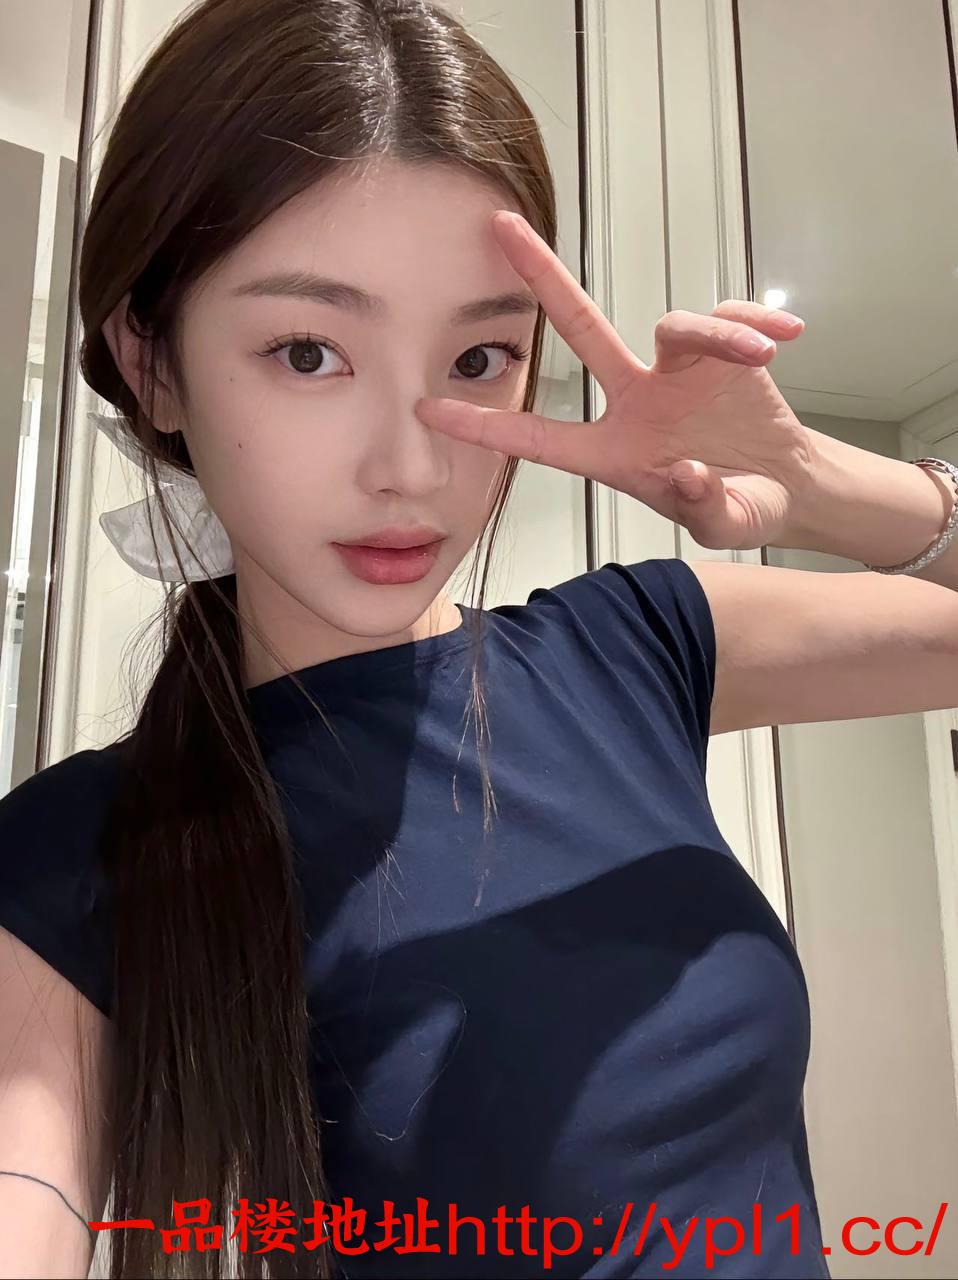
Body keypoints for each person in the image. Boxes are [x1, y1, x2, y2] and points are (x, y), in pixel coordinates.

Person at [2, 0, 957, 1277]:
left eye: (478, 356)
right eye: (308, 351)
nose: (411, 467)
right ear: (153, 362)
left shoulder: (635, 645)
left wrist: (822, 484)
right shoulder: (72, 856)